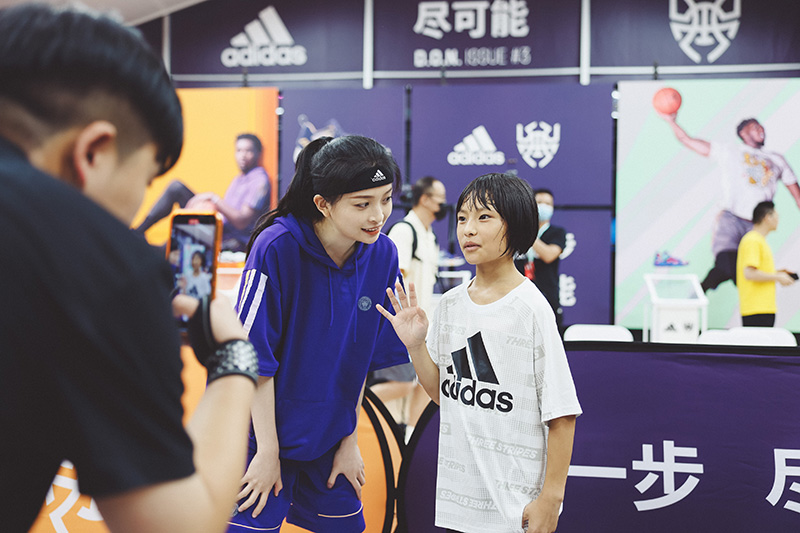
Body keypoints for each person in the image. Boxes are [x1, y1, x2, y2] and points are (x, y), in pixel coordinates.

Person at [0, 4, 258, 533]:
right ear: (94, 152)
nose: (138, 205)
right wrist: (234, 358)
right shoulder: (100, 264)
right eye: (144, 181)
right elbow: (179, 526)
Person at [377, 173, 582, 533]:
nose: (468, 229)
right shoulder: (450, 305)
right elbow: (442, 393)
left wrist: (551, 499)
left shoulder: (531, 308)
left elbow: (562, 413)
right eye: (462, 218)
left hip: (516, 507)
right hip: (459, 503)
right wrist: (416, 346)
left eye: (484, 217)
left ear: (515, 226)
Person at [228, 135, 410, 532]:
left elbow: (359, 359)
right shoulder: (275, 247)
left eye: (386, 199)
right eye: (362, 204)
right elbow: (252, 358)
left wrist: (349, 440)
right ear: (323, 204)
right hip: (259, 434)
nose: (378, 215)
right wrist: (267, 452)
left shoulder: (383, 254)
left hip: (330, 439)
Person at [660, 113, 800, 292]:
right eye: (755, 126)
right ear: (743, 133)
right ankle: (702, 292)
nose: (761, 129)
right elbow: (687, 140)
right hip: (731, 219)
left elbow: (797, 195)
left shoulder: (777, 159)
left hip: (757, 225)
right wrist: (671, 121)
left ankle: (700, 290)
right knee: (731, 265)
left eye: (761, 126)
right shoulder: (729, 151)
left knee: (738, 270)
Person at [371, 176, 447, 438]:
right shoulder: (405, 231)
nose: (444, 205)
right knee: (401, 383)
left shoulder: (429, 235)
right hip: (399, 324)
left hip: (422, 327)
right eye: (440, 199)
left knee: (422, 386)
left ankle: (410, 438)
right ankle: (354, 409)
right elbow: (391, 278)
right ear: (424, 199)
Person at [136, 133, 270, 251]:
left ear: (258, 153)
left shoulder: (259, 181)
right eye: (239, 150)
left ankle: (160, 249)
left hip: (233, 240)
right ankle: (138, 232)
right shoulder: (240, 178)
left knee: (196, 216)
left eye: (248, 151)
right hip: (218, 227)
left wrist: (212, 198)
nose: (242, 156)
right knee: (177, 188)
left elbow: (241, 222)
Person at [736, 201, 796, 327]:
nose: (778, 220)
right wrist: (777, 277)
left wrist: (779, 273)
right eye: (776, 216)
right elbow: (749, 273)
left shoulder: (758, 240)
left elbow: (755, 271)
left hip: (762, 308)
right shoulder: (752, 240)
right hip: (756, 309)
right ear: (767, 218)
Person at [515, 188, 567, 332]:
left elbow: (549, 255)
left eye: (548, 204)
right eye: (539, 202)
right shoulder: (515, 233)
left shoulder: (557, 233)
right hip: (518, 296)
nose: (543, 206)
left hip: (547, 295)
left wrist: (529, 233)